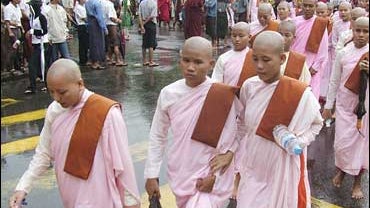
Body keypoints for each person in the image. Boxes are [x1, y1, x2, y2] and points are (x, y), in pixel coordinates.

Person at [8, 59, 141, 208]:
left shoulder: (107, 113)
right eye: (51, 92)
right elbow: (44, 153)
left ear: (80, 84)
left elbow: (123, 165)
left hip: (101, 200)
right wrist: (22, 187)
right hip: (70, 197)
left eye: (62, 92)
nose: (56, 98)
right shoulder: (55, 110)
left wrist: (131, 204)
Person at [144, 36, 241, 208]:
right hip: (181, 170)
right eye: (186, 60)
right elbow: (158, 135)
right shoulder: (169, 93)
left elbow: (231, 137)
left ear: (210, 64)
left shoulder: (220, 94)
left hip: (209, 176)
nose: (190, 67)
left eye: (198, 62)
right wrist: (151, 174)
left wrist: (216, 175)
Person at [236, 31, 323, 207]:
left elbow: (317, 123)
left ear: (282, 59)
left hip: (282, 169)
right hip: (253, 165)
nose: (259, 66)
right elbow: (242, 124)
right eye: (255, 59)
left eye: (266, 60)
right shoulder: (249, 86)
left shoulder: (299, 93)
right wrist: (231, 152)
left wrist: (299, 141)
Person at [322, 17, 369, 200]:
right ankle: (341, 171)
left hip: (364, 108)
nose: (361, 35)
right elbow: (334, 80)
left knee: (362, 146)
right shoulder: (343, 53)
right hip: (343, 106)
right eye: (358, 30)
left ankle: (357, 182)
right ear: (352, 30)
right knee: (342, 144)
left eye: (366, 31)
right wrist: (328, 105)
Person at [291, 0, 329, 99]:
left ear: (315, 7)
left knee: (310, 95)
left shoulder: (320, 23)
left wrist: (315, 66)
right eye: (305, 6)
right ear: (301, 6)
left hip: (311, 65)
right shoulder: (295, 21)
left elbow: (323, 47)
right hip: (296, 63)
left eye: (310, 6)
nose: (307, 8)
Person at [320, 1, 352, 101]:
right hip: (337, 54)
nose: (342, 12)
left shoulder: (353, 25)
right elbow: (334, 41)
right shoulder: (336, 24)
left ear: (350, 11)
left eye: (345, 10)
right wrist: (340, 52)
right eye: (340, 10)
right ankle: (333, 99)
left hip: (351, 54)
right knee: (335, 77)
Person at [212, 21, 251, 86]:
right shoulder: (223, 58)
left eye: (241, 36)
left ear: (249, 37)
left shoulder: (254, 57)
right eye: (234, 36)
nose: (237, 39)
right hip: (227, 95)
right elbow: (216, 82)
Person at [24, 0, 50, 94]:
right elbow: (28, 31)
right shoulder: (32, 18)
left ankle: (33, 87)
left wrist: (33, 32)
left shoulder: (42, 17)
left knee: (34, 65)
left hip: (42, 44)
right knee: (40, 66)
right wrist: (19, 40)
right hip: (36, 44)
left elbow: (44, 31)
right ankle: (46, 84)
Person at [85, 0, 107, 69]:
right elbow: (100, 17)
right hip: (96, 24)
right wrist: (104, 27)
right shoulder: (97, 3)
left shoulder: (87, 3)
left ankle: (92, 60)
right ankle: (97, 62)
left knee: (92, 43)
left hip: (90, 23)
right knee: (98, 43)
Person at [138, 0, 159, 67]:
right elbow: (152, 17)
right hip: (151, 24)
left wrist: (141, 25)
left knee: (144, 43)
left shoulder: (142, 2)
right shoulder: (154, 3)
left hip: (143, 23)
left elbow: (139, 15)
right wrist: (143, 24)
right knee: (151, 44)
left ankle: (144, 60)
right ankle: (151, 61)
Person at [74, 0, 90, 66]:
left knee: (86, 43)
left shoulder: (83, 6)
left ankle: (85, 58)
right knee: (82, 44)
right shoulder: (78, 8)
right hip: (82, 26)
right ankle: (83, 60)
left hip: (85, 25)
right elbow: (84, 18)